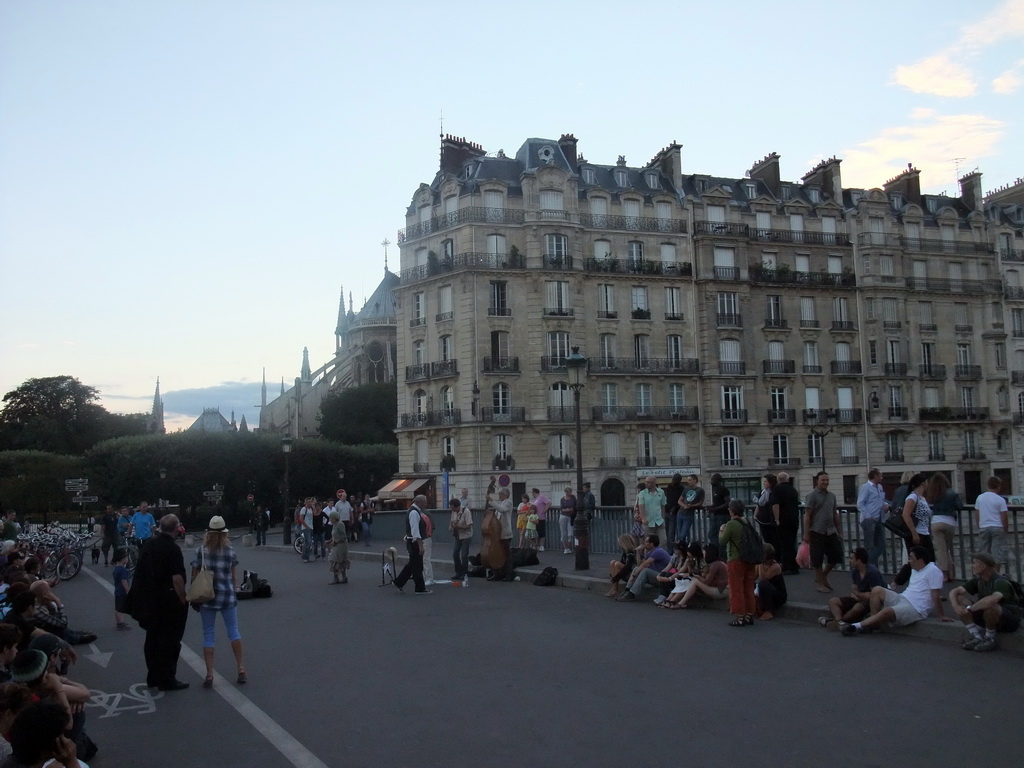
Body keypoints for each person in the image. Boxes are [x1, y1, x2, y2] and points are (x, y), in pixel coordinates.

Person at [130, 514, 189, 691]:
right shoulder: (173, 549)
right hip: (169, 600)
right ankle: (167, 678)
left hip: (151, 599)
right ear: (175, 529)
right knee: (170, 641)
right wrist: (183, 598)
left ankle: (153, 676)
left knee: (152, 639)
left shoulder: (149, 544)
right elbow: (177, 578)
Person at [841, 546, 949, 636]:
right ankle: (872, 624)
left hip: (916, 608)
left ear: (920, 560)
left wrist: (942, 615)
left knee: (887, 611)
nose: (909, 561)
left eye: (911, 558)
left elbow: (935, 595)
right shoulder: (915, 569)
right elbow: (901, 576)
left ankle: (856, 626)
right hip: (903, 598)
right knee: (877, 590)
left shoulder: (933, 571)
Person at [190, 515, 245, 689]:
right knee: (234, 632)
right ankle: (241, 668)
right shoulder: (230, 551)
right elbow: (234, 577)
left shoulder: (201, 551)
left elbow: (194, 575)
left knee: (208, 634)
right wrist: (234, 590)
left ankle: (209, 673)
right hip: (227, 596)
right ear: (224, 534)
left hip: (208, 596)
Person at [950, 552, 1021, 652]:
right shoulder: (979, 580)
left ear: (983, 566)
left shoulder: (1000, 582)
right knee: (959, 598)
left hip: (1009, 620)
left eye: (974, 563)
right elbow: (954, 591)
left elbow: (993, 599)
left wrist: (970, 609)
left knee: (991, 606)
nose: (972, 566)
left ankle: (989, 638)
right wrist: (956, 606)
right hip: (988, 616)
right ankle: (976, 637)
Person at [822, 547, 885, 630]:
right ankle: (840, 622)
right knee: (833, 601)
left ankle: (839, 622)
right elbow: (854, 589)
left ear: (858, 561)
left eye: (852, 558)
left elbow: (873, 595)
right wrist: (860, 595)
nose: (850, 561)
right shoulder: (855, 571)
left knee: (857, 608)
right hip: (859, 598)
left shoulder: (872, 573)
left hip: (871, 602)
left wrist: (859, 595)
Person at [803, 472, 843, 593]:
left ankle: (823, 576)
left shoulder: (832, 496)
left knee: (836, 555)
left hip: (830, 530)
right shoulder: (812, 495)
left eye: (827, 480)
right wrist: (806, 533)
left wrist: (839, 531)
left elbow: (834, 514)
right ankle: (820, 583)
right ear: (817, 481)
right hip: (816, 530)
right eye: (823, 480)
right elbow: (807, 515)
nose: (825, 482)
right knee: (817, 558)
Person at [720, 499, 757, 626]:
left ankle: (740, 616)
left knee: (736, 588)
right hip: (749, 558)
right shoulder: (746, 521)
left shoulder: (731, 524)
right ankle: (749, 614)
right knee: (748, 587)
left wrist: (721, 530)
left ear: (732, 510)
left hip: (736, 558)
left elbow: (722, 541)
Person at [893, 473, 934, 587]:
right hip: (916, 534)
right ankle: (896, 583)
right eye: (926, 482)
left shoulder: (922, 498)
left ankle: (927, 587)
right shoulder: (912, 497)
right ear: (922, 483)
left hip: (924, 533)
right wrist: (914, 533)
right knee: (916, 561)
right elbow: (906, 515)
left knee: (928, 562)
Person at [668, 543, 729, 609]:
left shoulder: (715, 565)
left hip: (722, 591)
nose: (703, 554)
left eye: (704, 552)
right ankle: (673, 600)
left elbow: (707, 582)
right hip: (721, 588)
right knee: (690, 581)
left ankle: (680, 603)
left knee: (695, 582)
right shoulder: (716, 563)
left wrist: (696, 576)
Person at [927, 472, 963, 583]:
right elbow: (960, 506)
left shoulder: (934, 493)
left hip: (936, 522)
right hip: (950, 523)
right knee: (946, 548)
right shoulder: (952, 493)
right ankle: (950, 572)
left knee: (940, 550)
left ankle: (944, 575)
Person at [393, 495, 430, 594]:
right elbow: (415, 531)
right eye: (424, 502)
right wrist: (420, 545)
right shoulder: (414, 512)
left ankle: (399, 582)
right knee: (417, 565)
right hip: (414, 542)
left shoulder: (414, 511)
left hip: (412, 541)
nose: (425, 504)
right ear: (419, 502)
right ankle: (420, 588)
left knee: (412, 564)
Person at [616, 535, 670, 602]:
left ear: (652, 544)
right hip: (656, 575)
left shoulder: (658, 551)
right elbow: (640, 564)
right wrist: (639, 552)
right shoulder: (650, 552)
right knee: (636, 568)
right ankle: (627, 589)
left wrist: (634, 575)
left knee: (645, 571)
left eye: (646, 542)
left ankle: (632, 594)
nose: (644, 543)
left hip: (663, 578)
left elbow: (645, 564)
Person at [974, 476, 1009, 572]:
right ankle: (995, 574)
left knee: (983, 554)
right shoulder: (1000, 500)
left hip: (984, 527)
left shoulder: (980, 498)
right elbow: (1004, 517)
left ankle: (984, 575)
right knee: (997, 554)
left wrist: (980, 526)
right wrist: (1005, 529)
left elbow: (977, 514)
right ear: (998, 486)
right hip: (997, 527)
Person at [856, 468, 888, 568]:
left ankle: (867, 564)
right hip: (869, 520)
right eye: (880, 475)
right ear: (875, 476)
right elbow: (860, 503)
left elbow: (880, 500)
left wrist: (885, 504)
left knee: (881, 544)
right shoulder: (865, 487)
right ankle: (866, 565)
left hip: (879, 519)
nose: (882, 477)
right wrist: (869, 516)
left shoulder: (879, 487)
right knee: (869, 545)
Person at [774, 472, 801, 574]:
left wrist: (777, 519)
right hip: (794, 519)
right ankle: (794, 565)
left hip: (783, 520)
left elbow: (776, 504)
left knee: (784, 544)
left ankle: (787, 566)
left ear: (778, 480)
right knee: (791, 543)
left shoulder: (777, 489)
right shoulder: (793, 490)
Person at [755, 543, 786, 620]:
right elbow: (753, 576)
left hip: (778, 595)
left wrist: (759, 563)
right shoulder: (761, 565)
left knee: (763, 584)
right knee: (752, 584)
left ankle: (769, 611)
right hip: (767, 592)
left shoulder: (776, 566)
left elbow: (763, 578)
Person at [636, 475, 667, 546]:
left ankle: (660, 556)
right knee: (648, 543)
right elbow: (641, 506)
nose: (646, 484)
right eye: (646, 482)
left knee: (663, 541)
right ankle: (648, 556)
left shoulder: (661, 492)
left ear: (654, 483)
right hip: (648, 521)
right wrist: (643, 518)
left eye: (649, 482)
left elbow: (663, 506)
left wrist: (663, 517)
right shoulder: (642, 493)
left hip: (659, 521)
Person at [753, 473, 779, 554]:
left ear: (771, 483)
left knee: (774, 540)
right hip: (762, 520)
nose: (764, 483)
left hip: (770, 519)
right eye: (763, 482)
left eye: (766, 482)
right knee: (766, 538)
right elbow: (759, 504)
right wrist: (755, 515)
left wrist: (776, 518)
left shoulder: (774, 492)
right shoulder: (762, 492)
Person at [448, 498, 472, 583]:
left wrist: (459, 527)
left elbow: (469, 525)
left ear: (456, 506)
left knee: (464, 555)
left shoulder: (466, 511)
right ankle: (458, 572)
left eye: (452, 507)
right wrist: (451, 527)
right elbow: (451, 522)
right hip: (457, 535)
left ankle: (464, 573)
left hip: (465, 535)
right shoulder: (454, 512)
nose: (451, 509)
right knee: (455, 554)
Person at [492, 489, 514, 581]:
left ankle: (509, 574)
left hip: (505, 532)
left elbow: (501, 510)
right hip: (498, 533)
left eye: (500, 494)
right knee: (498, 554)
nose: (499, 495)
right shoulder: (501, 503)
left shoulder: (508, 502)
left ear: (505, 494)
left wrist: (491, 501)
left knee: (506, 554)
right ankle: (498, 573)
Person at [677, 475, 704, 547]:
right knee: (679, 534)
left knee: (683, 534)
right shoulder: (686, 489)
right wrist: (684, 505)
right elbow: (679, 500)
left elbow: (700, 502)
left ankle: (682, 547)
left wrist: (691, 506)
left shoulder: (700, 490)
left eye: (690, 480)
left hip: (689, 514)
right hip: (681, 512)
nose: (688, 481)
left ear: (695, 480)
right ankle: (681, 548)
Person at [574, 482, 595, 570]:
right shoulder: (585, 495)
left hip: (588, 513)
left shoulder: (590, 495)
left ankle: (585, 547)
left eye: (584, 488)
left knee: (586, 531)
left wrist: (585, 506)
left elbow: (592, 505)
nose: (583, 489)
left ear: (587, 488)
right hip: (585, 513)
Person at [327, 510, 349, 585]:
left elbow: (344, 536)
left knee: (336, 560)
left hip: (340, 545)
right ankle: (343, 577)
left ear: (334, 518)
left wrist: (336, 541)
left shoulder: (340, 524)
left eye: (331, 518)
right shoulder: (334, 524)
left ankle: (336, 578)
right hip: (336, 544)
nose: (330, 519)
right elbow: (334, 535)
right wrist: (330, 540)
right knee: (338, 561)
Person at [112, 548, 131, 631]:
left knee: (118, 608)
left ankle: (120, 622)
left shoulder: (116, 569)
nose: (127, 559)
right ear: (123, 559)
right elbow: (124, 581)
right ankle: (120, 623)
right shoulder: (122, 570)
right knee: (120, 609)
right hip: (122, 592)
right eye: (126, 557)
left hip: (117, 591)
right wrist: (128, 590)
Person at [707, 474, 731, 541]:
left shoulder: (723, 489)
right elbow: (717, 502)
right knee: (712, 534)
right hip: (716, 515)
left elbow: (727, 503)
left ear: (717, 480)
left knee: (719, 535)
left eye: (712, 480)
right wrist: (711, 506)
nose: (711, 481)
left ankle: (720, 550)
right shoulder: (715, 490)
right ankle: (717, 549)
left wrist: (715, 508)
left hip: (723, 515)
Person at [663, 473, 684, 547]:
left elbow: (682, 501)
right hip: (667, 510)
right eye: (673, 479)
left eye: (675, 480)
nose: (673, 481)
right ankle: (669, 548)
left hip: (674, 512)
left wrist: (676, 507)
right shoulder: (669, 487)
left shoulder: (681, 489)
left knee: (671, 533)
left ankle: (670, 550)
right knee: (667, 532)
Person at [558, 487, 576, 554]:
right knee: (563, 533)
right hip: (563, 516)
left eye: (568, 491)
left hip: (571, 517)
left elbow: (575, 506)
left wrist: (571, 510)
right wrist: (568, 509)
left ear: (570, 492)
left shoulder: (573, 498)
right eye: (566, 491)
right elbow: (562, 509)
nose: (567, 492)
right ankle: (565, 548)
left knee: (570, 533)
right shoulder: (562, 499)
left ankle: (568, 547)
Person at [298, 498, 315, 563]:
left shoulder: (310, 509)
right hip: (306, 527)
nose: (310, 503)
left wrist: (313, 507)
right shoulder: (304, 509)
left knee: (308, 543)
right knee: (308, 542)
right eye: (309, 502)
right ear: (306, 503)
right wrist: (306, 526)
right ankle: (304, 556)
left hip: (311, 527)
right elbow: (301, 518)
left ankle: (307, 557)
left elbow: (315, 513)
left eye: (311, 502)